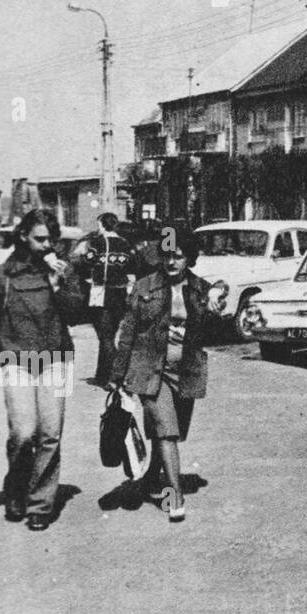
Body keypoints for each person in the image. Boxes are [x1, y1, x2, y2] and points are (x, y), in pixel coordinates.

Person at [109, 224, 226, 523]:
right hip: (150, 372)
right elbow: (128, 334)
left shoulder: (200, 289)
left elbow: (213, 323)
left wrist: (217, 300)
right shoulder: (144, 287)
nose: (171, 262)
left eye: (178, 256)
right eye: (167, 256)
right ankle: (175, 496)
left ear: (190, 257)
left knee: (174, 433)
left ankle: (150, 477)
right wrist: (117, 375)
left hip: (184, 372)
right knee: (166, 430)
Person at [0, 209, 86, 530]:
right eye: (40, 239)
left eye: (51, 239)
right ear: (23, 236)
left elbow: (77, 312)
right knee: (23, 433)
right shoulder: (3, 275)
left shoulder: (63, 271)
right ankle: (16, 489)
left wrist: (58, 284)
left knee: (50, 434)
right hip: (16, 362)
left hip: (54, 360)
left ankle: (41, 504)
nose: (47, 245)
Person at [72, 212, 135, 386]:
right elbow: (130, 263)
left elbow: (87, 261)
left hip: (102, 292)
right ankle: (102, 375)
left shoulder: (99, 242)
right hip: (120, 293)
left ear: (102, 225)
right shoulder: (125, 243)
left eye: (98, 224)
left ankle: (113, 376)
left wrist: (81, 255)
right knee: (110, 334)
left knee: (105, 336)